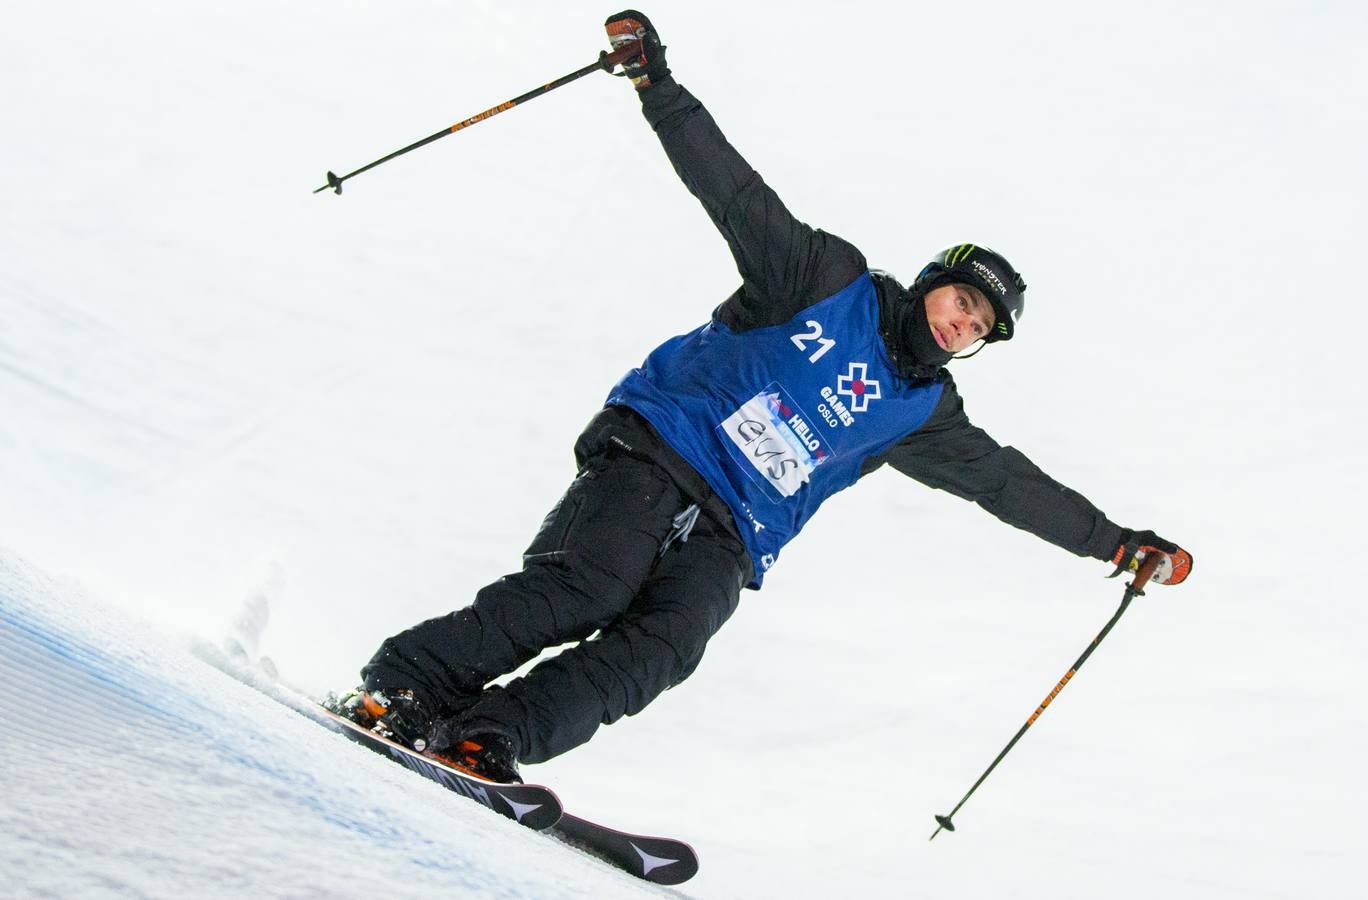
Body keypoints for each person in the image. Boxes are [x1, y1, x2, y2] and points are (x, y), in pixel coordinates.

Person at [328, 10, 1193, 783]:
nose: (964, 324)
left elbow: (1006, 484)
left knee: (663, 649)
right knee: (588, 589)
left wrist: (1115, 545)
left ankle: (485, 739)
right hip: (662, 452)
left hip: (735, 533)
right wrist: (654, 84)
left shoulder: (924, 411)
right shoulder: (825, 280)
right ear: (934, 284)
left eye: (981, 328)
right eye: (963, 301)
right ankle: (403, 686)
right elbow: (733, 191)